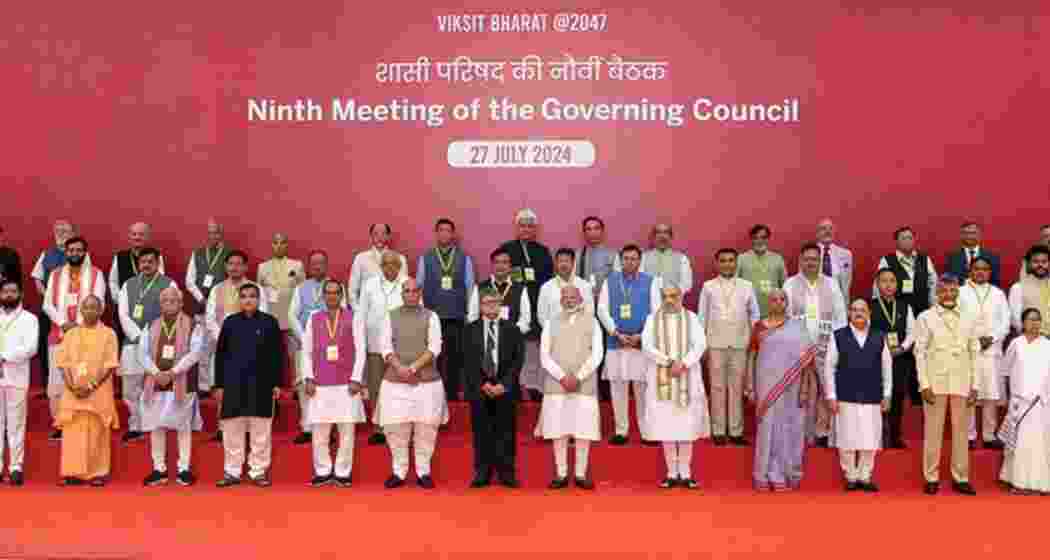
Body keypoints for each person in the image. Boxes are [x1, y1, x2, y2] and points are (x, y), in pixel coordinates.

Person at [213, 283, 284, 488]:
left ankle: (258, 471)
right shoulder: (230, 323)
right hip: (233, 384)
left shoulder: (270, 322)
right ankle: (232, 471)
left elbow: (277, 356)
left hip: (262, 384)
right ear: (239, 300)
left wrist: (277, 383)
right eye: (244, 296)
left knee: (260, 431)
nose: (248, 300)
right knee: (232, 430)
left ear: (259, 299)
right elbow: (221, 356)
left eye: (252, 296)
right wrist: (219, 385)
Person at [747, 289, 818, 492]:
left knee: (788, 428)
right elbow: (751, 357)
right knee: (767, 428)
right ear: (768, 303)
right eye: (774, 299)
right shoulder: (759, 327)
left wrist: (804, 389)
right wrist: (750, 386)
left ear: (786, 302)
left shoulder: (797, 327)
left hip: (792, 387)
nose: (778, 302)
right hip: (765, 386)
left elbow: (806, 362)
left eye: (782, 299)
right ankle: (762, 474)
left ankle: (782, 474)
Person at [377, 279, 446, 489]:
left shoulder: (431, 316)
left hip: (426, 382)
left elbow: (435, 348)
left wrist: (413, 368)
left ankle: (423, 471)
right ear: (402, 294)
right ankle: (399, 471)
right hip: (395, 381)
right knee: (396, 429)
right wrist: (399, 368)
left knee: (426, 428)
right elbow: (385, 347)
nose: (410, 294)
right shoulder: (390, 316)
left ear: (420, 293)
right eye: (406, 291)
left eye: (414, 291)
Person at [915, 274, 980, 495]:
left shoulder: (970, 316)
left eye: (953, 290)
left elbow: (975, 352)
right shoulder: (925, 317)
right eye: (944, 291)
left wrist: (975, 385)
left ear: (958, 292)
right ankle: (931, 476)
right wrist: (924, 384)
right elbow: (920, 353)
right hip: (935, 383)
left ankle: (961, 477)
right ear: (937, 293)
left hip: (962, 381)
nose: (948, 295)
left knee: (962, 432)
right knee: (932, 431)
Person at [643, 283, 710, 489]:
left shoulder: (691, 318)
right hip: (661, 377)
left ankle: (686, 473)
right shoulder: (651, 319)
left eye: (674, 296)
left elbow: (700, 344)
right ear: (660, 298)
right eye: (665, 296)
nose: (670, 300)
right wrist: (669, 362)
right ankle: (671, 473)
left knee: (686, 426)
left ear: (681, 297)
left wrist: (685, 363)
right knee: (667, 425)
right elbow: (647, 345)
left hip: (687, 377)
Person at [301, 280, 366, 488]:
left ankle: (343, 471)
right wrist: (308, 377)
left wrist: (357, 378)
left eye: (336, 293)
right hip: (320, 382)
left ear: (342, 295)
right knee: (320, 430)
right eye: (328, 293)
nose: (332, 296)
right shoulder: (314, 318)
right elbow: (306, 350)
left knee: (346, 430)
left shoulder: (353, 317)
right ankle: (322, 471)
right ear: (322, 296)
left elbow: (361, 349)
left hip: (347, 383)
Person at [824, 299, 892, 492]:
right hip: (846, 395)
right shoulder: (838, 336)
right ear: (849, 313)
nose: (858, 313)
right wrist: (831, 395)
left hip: (872, 396)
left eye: (862, 310)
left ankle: (865, 476)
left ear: (869, 313)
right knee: (846, 438)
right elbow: (829, 367)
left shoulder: (879, 336)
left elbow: (887, 368)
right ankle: (850, 476)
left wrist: (887, 394)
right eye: (854, 310)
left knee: (870, 438)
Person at [42, 237, 106, 441]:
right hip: (58, 336)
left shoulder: (96, 274)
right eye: (71, 250)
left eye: (79, 250)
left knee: (83, 380)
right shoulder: (55, 275)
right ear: (66, 252)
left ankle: (83, 423)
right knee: (57, 384)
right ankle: (61, 424)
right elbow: (47, 304)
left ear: (85, 253)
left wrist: (78, 325)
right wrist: (63, 323)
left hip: (87, 337)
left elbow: (99, 303)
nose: (75, 253)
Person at [783, 242, 847, 447]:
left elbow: (840, 317)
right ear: (801, 261)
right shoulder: (790, 284)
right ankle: (800, 432)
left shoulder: (831, 283)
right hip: (797, 349)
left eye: (815, 259)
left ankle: (822, 432)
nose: (811, 262)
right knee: (799, 391)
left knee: (825, 389)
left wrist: (836, 345)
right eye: (807, 259)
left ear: (820, 262)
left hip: (825, 347)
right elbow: (785, 317)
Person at [139, 286, 204, 487]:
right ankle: (159, 469)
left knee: (183, 426)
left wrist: (173, 373)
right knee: (157, 425)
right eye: (165, 301)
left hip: (181, 381)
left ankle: (184, 469)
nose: (169, 304)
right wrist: (157, 373)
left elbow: (195, 353)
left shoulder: (194, 325)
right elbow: (141, 353)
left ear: (181, 303)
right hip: (155, 381)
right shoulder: (151, 324)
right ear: (160, 304)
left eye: (173, 300)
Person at [540, 285, 603, 490]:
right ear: (560, 301)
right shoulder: (550, 323)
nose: (569, 300)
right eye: (565, 297)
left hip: (583, 385)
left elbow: (597, 355)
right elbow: (544, 355)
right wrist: (562, 377)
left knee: (583, 430)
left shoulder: (592, 321)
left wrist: (578, 377)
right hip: (556, 385)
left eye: (573, 297)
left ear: (580, 298)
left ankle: (580, 474)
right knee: (558, 430)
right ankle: (561, 473)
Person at [598, 244, 661, 446]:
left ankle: (646, 431)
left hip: (640, 343)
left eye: (634, 258)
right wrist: (615, 332)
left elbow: (656, 311)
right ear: (620, 259)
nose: (630, 262)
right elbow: (602, 309)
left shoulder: (651, 282)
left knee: (642, 388)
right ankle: (621, 430)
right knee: (618, 386)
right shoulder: (610, 281)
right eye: (626, 258)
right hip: (616, 342)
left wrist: (642, 335)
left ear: (640, 261)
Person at [54, 295, 119, 487]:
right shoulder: (71, 334)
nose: (90, 311)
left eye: (94, 308)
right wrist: (72, 386)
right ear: (80, 310)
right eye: (86, 307)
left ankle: (98, 473)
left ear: (100, 311)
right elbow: (62, 364)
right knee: (73, 432)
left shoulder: (109, 334)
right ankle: (73, 473)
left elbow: (110, 366)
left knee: (97, 431)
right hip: (73, 392)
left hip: (98, 392)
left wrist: (90, 386)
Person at [463, 288, 525, 488]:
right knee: (481, 432)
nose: (491, 306)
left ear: (500, 305)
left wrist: (504, 385)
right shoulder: (469, 330)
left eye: (495, 302)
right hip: (479, 389)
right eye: (487, 302)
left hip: (504, 389)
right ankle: (482, 472)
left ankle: (507, 473)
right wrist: (482, 384)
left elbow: (518, 361)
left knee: (506, 432)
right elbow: (467, 361)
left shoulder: (513, 329)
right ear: (480, 306)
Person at [205, 251, 269, 441]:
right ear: (226, 267)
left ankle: (249, 430)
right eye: (231, 264)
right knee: (224, 387)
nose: (234, 267)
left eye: (239, 264)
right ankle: (223, 428)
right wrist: (224, 339)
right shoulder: (217, 289)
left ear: (245, 267)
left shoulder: (256, 289)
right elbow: (209, 318)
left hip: (252, 349)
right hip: (224, 348)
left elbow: (263, 315)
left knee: (250, 387)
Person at [699, 248, 760, 446]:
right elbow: (702, 317)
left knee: (736, 388)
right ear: (717, 263)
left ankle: (735, 431)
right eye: (723, 261)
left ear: (736, 263)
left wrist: (751, 338)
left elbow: (755, 315)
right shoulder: (708, 286)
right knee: (716, 387)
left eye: (731, 260)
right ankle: (717, 430)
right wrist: (703, 345)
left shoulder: (747, 286)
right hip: (715, 343)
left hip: (740, 343)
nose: (727, 264)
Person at [116, 247, 174, 443]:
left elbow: (171, 313)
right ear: (139, 264)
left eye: (151, 261)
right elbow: (123, 314)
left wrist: (151, 338)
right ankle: (136, 425)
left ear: (158, 263)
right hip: (132, 343)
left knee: (154, 387)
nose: (147, 265)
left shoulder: (169, 284)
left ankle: (154, 425)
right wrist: (139, 336)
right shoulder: (128, 285)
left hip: (158, 344)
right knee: (130, 388)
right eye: (143, 262)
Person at [497, 209, 554, 402]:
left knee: (534, 352)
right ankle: (512, 387)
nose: (526, 229)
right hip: (513, 305)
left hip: (537, 304)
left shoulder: (543, 251)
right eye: (523, 225)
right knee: (511, 350)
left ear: (535, 228)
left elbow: (548, 282)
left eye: (530, 225)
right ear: (517, 227)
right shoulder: (507, 249)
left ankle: (534, 388)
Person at [417, 218, 475, 402]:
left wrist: (469, 314)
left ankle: (451, 394)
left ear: (453, 234)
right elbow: (418, 286)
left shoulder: (464, 258)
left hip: (457, 316)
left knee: (454, 357)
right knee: (433, 356)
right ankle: (433, 394)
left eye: (448, 230)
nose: (444, 233)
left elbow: (470, 287)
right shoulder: (425, 258)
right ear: (436, 233)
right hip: (432, 316)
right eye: (441, 230)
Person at [959, 256, 1009, 449]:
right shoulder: (961, 292)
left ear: (990, 272)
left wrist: (992, 338)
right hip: (969, 351)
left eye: (985, 269)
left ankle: (989, 435)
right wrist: (974, 341)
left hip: (992, 351)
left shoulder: (998, 294)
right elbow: (957, 320)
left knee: (990, 394)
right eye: (977, 268)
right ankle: (969, 435)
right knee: (970, 394)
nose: (980, 272)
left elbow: (1005, 321)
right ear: (970, 270)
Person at [997, 308, 1050, 494]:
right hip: (1019, 403)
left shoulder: (1047, 345)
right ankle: (1018, 482)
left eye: (1038, 319)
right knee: (1019, 444)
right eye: (1030, 319)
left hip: (1041, 403)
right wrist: (1007, 398)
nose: (1035, 323)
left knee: (1038, 444)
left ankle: (1040, 483)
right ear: (1022, 322)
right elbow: (1004, 370)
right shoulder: (1016, 344)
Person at [257, 233, 305, 440]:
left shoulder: (297, 265)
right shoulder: (262, 267)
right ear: (271, 245)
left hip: (292, 316)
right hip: (270, 316)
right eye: (275, 242)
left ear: (287, 244)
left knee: (295, 355)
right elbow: (259, 290)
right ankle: (272, 386)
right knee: (270, 356)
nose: (279, 245)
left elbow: (302, 289)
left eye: (282, 242)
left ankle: (296, 387)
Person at [358, 250, 407, 445]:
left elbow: (418, 312)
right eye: (385, 264)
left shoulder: (408, 284)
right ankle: (379, 428)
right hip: (375, 345)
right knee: (376, 387)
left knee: (399, 387)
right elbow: (361, 314)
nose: (390, 267)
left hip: (401, 347)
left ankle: (399, 426)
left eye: (394, 264)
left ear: (399, 266)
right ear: (380, 266)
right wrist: (360, 342)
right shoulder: (369, 285)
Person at [288, 250, 336, 444]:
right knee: (304, 386)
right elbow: (292, 315)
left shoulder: (336, 286)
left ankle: (329, 427)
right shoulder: (301, 288)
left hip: (330, 345)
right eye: (314, 263)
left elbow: (343, 312)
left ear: (326, 265)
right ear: (309, 267)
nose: (317, 267)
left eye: (321, 263)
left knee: (329, 386)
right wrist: (305, 337)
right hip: (304, 344)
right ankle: (307, 427)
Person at [185, 219, 233, 397]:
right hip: (202, 308)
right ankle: (204, 386)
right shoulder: (197, 253)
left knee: (225, 349)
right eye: (211, 232)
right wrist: (202, 298)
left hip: (224, 308)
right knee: (204, 348)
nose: (214, 236)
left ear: (222, 234)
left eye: (217, 233)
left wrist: (215, 299)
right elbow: (189, 281)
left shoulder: (229, 254)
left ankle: (222, 384)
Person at [870, 269, 917, 449]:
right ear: (877, 284)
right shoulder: (870, 305)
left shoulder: (905, 306)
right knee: (876, 397)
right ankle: (877, 437)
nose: (888, 285)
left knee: (897, 397)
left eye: (891, 281)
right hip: (875, 359)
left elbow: (912, 332)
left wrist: (902, 347)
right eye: (883, 281)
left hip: (899, 358)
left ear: (897, 285)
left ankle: (896, 437)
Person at [30, 220, 75, 403]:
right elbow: (36, 277)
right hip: (50, 309)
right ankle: (48, 384)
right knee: (46, 347)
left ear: (72, 232)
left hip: (72, 311)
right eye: (58, 230)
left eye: (65, 229)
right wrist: (47, 293)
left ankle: (71, 384)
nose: (61, 232)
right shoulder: (46, 254)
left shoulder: (78, 253)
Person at [0, 279, 39, 486]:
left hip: (16, 378)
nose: (8, 295)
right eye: (5, 291)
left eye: (13, 291)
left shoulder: (29, 319)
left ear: (20, 295)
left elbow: (31, 348)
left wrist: (4, 356)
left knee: (16, 425)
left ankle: (16, 467)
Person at [109, 223, 166, 347]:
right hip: (124, 311)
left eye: (141, 234)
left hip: (150, 310)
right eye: (134, 234)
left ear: (148, 237)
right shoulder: (120, 257)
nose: (137, 237)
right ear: (129, 236)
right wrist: (123, 300)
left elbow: (159, 282)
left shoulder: (157, 257)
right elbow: (113, 282)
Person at [872, 227, 937, 317]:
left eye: (910, 238)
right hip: (897, 312)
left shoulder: (925, 259)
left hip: (923, 310)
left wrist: (933, 307)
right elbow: (878, 287)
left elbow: (933, 284)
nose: (907, 241)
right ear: (896, 241)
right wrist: (879, 309)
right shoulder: (887, 260)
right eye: (903, 238)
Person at [467, 248, 531, 336]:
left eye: (504, 262)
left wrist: (513, 333)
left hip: (512, 340)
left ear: (510, 265)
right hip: (486, 339)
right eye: (497, 262)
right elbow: (472, 316)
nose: (500, 266)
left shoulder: (520, 289)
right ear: (492, 265)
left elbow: (525, 319)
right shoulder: (479, 288)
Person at [348, 223, 408, 311]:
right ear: (371, 236)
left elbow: (405, 288)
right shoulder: (361, 258)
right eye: (375, 233)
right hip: (368, 310)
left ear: (388, 236)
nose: (379, 237)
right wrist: (358, 311)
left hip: (393, 310)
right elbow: (352, 289)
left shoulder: (400, 258)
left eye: (383, 234)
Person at [736, 224, 786, 319]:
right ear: (751, 240)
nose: (759, 241)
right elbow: (735, 285)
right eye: (756, 238)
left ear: (768, 239)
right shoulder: (741, 259)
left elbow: (784, 286)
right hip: (748, 312)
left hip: (773, 312)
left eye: (763, 237)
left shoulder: (778, 259)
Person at [640, 224, 693, 296]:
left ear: (671, 237)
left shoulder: (682, 259)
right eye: (658, 232)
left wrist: (674, 292)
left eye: (666, 232)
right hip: (648, 302)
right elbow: (639, 281)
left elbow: (687, 284)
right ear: (653, 237)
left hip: (673, 303)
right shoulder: (643, 257)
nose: (662, 236)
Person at [1009, 245, 1050, 338]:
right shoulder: (1018, 288)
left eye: (1044, 262)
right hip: (1030, 340)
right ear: (1029, 264)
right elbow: (1015, 319)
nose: (1040, 265)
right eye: (1036, 262)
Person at [945, 222, 1001, 287]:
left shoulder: (992, 257)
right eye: (966, 233)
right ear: (961, 235)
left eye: (973, 233)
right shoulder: (952, 258)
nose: (969, 236)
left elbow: (995, 283)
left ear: (979, 235)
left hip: (984, 295)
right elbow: (949, 282)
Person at [816, 218, 853, 301]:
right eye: (823, 228)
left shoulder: (846, 255)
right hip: (816, 301)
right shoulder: (808, 254)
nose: (827, 231)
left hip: (837, 301)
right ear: (817, 233)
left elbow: (846, 285)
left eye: (830, 228)